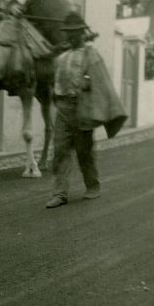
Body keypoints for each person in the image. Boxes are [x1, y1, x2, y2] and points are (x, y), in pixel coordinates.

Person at [45, 12, 127, 208]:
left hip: (82, 108)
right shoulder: (61, 56)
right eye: (68, 32)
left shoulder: (91, 55)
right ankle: (59, 193)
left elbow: (101, 85)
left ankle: (93, 185)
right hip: (63, 108)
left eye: (75, 32)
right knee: (60, 150)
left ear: (82, 33)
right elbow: (54, 82)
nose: (71, 36)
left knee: (84, 151)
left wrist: (87, 85)